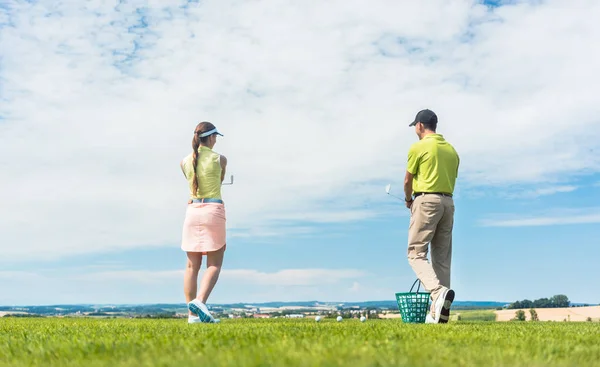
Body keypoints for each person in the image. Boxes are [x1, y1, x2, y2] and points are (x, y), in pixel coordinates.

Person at [403, 109, 459, 324]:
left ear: (419, 126)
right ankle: (438, 314)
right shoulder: (452, 151)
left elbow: (408, 181)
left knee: (415, 253)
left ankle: (437, 294)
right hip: (448, 203)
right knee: (442, 259)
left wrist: (409, 200)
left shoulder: (418, 147)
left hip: (426, 201)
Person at [180, 121, 228, 324]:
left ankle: (192, 317)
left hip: (192, 211)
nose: (216, 140)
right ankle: (200, 302)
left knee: (192, 266)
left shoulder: (184, 161)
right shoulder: (220, 159)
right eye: (215, 137)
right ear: (209, 137)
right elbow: (220, 180)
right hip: (212, 210)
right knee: (214, 263)